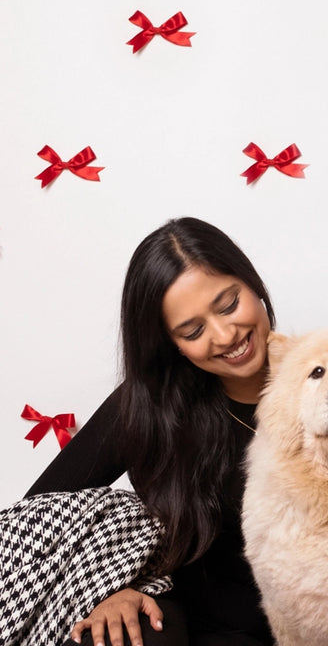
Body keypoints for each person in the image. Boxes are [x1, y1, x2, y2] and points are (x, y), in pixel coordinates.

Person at [25, 217, 276, 646]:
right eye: (192, 331)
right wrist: (108, 589)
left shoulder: (326, 382)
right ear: (170, 343)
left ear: (251, 283)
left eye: (229, 304)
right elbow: (40, 519)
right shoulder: (148, 407)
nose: (224, 335)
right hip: (178, 623)